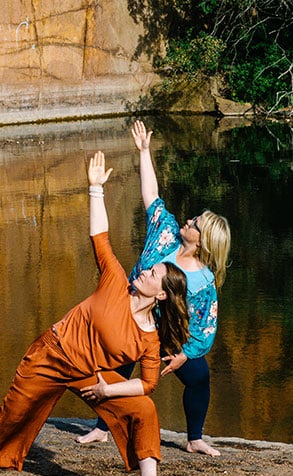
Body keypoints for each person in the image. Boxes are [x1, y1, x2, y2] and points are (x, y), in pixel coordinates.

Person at [0, 151, 190, 476]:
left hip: (88, 373)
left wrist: (108, 391)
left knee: (143, 408)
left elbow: (149, 383)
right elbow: (100, 238)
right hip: (51, 353)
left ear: (164, 295)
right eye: (150, 268)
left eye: (154, 274)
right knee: (12, 414)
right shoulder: (115, 281)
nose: (146, 270)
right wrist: (95, 190)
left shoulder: (149, 337)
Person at [77, 120, 231, 456]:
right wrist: (145, 152)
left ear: (203, 241)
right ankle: (102, 428)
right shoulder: (166, 234)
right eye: (193, 219)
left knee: (199, 377)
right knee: (116, 369)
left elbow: (205, 325)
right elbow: (151, 196)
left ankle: (194, 439)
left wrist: (184, 354)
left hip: (169, 336)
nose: (189, 220)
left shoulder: (203, 281)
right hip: (132, 315)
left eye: (196, 224)